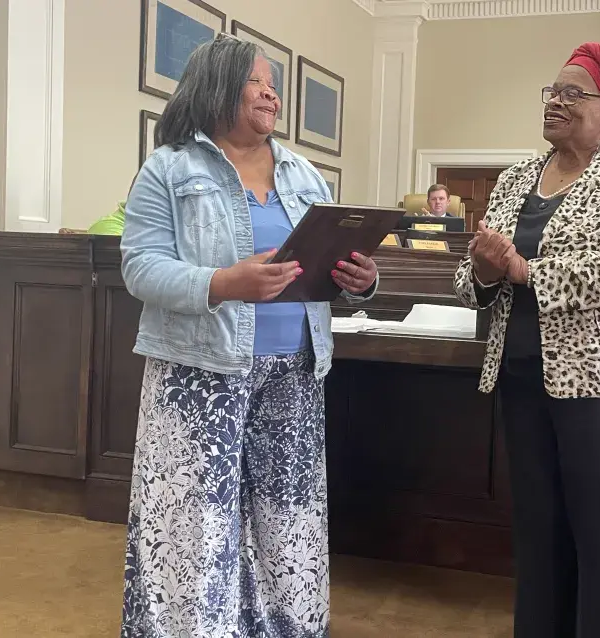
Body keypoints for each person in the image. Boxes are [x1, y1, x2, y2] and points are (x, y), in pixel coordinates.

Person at [119, 34, 378, 638]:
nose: (271, 94)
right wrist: (223, 283)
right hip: (199, 373)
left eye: (273, 84)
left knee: (289, 520)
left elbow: (330, 259)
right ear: (217, 86)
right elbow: (140, 268)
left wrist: (361, 281)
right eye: (256, 81)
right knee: (194, 525)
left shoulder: (304, 174)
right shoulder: (170, 168)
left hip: (295, 370)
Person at [454, 42, 600, 638]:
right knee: (541, 543)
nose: (555, 102)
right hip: (524, 378)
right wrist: (484, 270)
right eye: (552, 92)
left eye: (572, 93)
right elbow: (471, 278)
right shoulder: (515, 178)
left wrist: (526, 271)